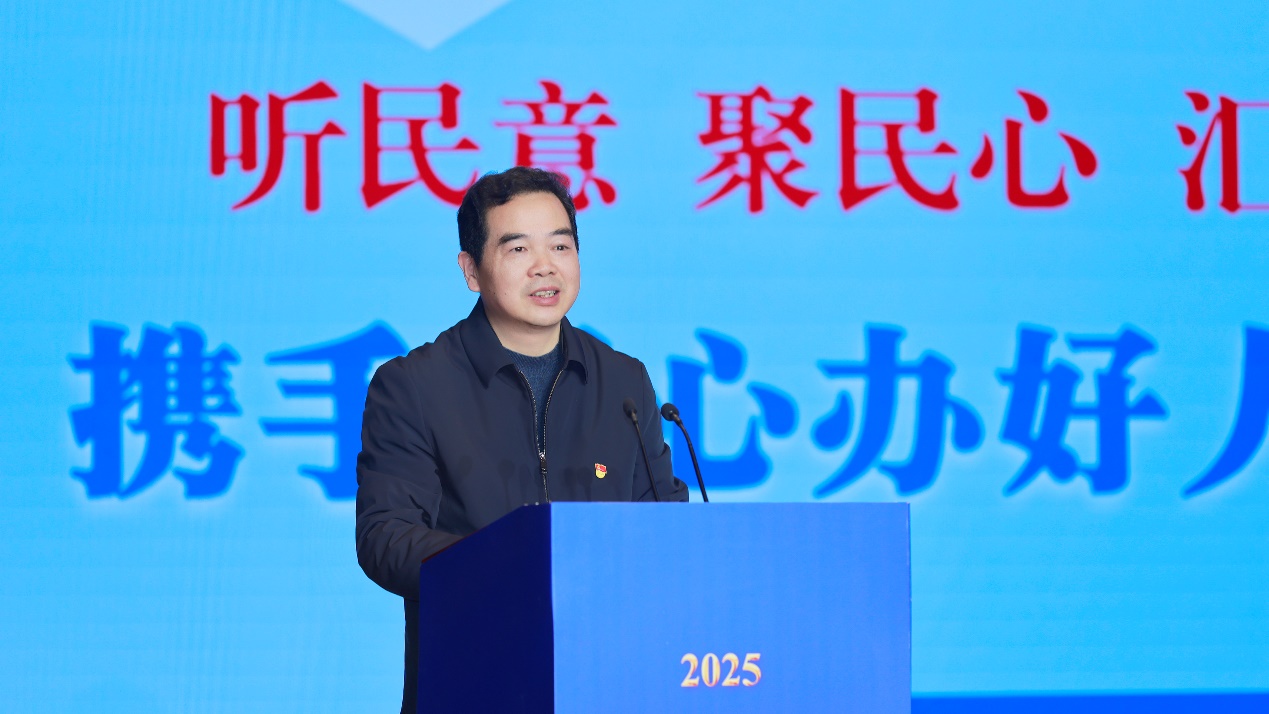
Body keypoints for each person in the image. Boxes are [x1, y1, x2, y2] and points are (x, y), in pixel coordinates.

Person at [355, 166, 688, 713]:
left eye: (560, 245)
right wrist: (512, 564)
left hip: (606, 680)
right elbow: (386, 538)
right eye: (518, 249)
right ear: (471, 270)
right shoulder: (414, 385)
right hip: (474, 679)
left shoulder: (624, 381)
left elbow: (664, 524)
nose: (545, 266)